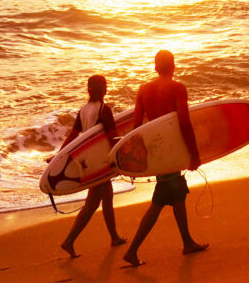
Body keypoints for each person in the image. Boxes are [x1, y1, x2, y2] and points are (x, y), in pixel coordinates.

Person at [123, 50, 208, 266]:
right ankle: (132, 250)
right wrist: (194, 152)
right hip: (172, 150)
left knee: (177, 194)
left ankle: (187, 242)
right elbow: (184, 122)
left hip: (156, 150)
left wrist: (134, 160)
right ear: (173, 67)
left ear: (155, 66)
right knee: (160, 201)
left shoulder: (143, 89)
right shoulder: (178, 88)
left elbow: (135, 127)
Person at [59, 75, 125, 257]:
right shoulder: (104, 110)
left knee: (107, 197)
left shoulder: (83, 110)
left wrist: (60, 154)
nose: (106, 88)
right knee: (92, 203)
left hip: (88, 161)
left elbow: (73, 135)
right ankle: (69, 241)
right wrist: (119, 158)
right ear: (103, 89)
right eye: (105, 85)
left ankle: (114, 237)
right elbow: (112, 137)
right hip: (101, 162)